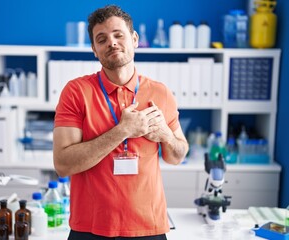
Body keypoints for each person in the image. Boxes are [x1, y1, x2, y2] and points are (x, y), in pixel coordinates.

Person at [53, 5, 189, 240]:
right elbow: (63, 164)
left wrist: (166, 134)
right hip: (90, 227)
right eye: (102, 39)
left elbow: (177, 155)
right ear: (94, 50)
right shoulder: (76, 91)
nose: (111, 43)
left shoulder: (160, 92)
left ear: (134, 39)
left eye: (118, 35)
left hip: (149, 227)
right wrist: (122, 131)